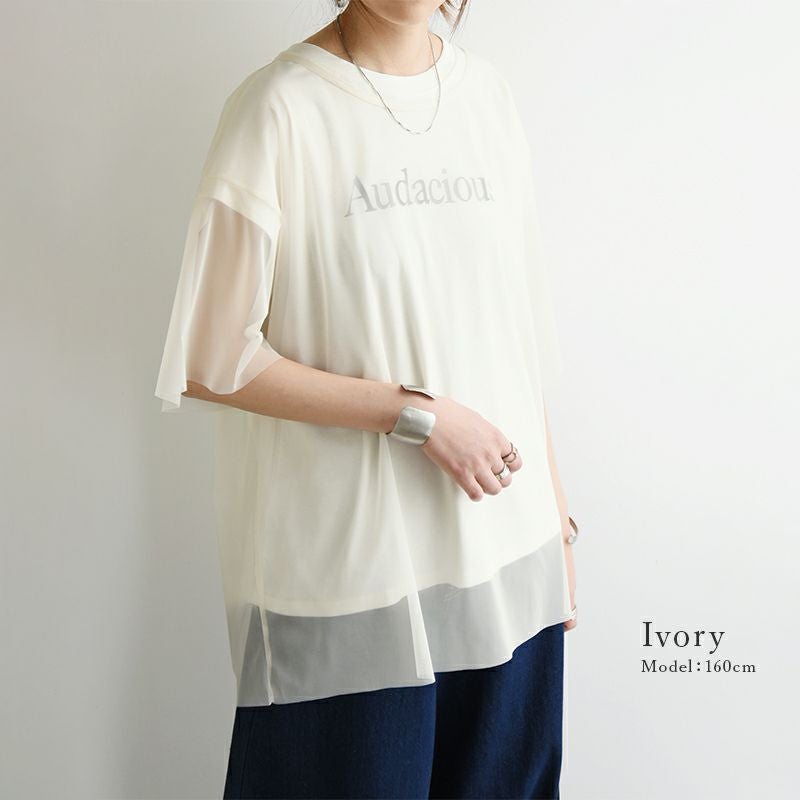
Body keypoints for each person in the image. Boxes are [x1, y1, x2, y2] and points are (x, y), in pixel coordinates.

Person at [154, 0, 579, 797]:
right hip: (350, 582)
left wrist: (557, 528)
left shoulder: (488, 97)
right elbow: (211, 358)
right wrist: (416, 415)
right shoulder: (279, 109)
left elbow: (514, 337)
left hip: (507, 555)